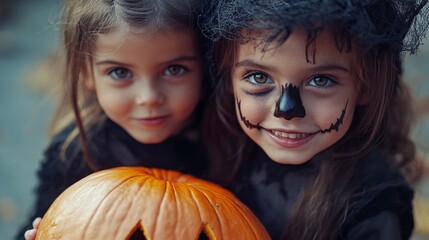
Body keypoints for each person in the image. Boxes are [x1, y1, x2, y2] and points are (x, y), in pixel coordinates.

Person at [199, 0, 429, 239]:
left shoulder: (374, 203)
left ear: (366, 87)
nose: (286, 110)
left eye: (320, 80)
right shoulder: (212, 147)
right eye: (258, 77)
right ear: (228, 80)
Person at [17, 0, 209, 239]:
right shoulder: (76, 155)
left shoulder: (227, 139)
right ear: (86, 73)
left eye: (174, 69)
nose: (148, 98)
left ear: (207, 66)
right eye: (120, 72)